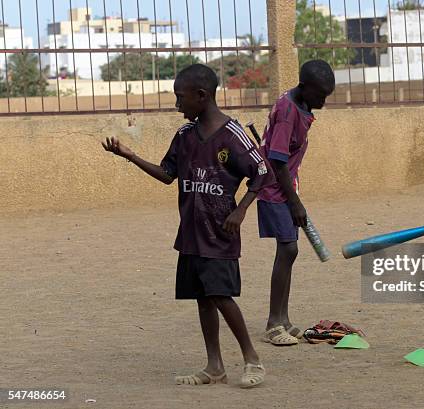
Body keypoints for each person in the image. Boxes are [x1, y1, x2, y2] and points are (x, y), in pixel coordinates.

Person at [102, 64, 273, 388]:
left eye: (181, 97)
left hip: (219, 232)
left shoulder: (232, 135)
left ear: (201, 96)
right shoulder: (184, 136)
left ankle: (253, 359)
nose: (177, 104)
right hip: (192, 234)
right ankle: (214, 366)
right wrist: (130, 156)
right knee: (203, 298)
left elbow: (263, 172)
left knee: (221, 296)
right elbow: (168, 174)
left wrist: (241, 209)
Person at [257, 60, 335, 345]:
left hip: (286, 186)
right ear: (304, 88)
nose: (323, 102)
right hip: (273, 188)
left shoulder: (300, 105)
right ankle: (273, 324)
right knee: (288, 248)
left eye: (327, 96)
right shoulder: (289, 112)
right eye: (319, 96)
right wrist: (295, 203)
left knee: (289, 251)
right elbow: (277, 161)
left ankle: (284, 318)